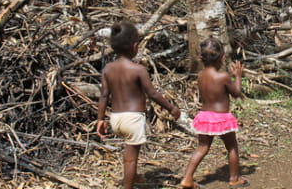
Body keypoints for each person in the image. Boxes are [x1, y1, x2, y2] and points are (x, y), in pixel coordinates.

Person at [96, 21, 181, 189]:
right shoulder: (138, 69)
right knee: (131, 157)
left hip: (116, 119)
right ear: (134, 46)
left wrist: (100, 119)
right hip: (133, 119)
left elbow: (104, 95)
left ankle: (133, 176)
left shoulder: (108, 69)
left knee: (129, 151)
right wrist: (171, 108)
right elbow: (153, 94)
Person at [180, 37, 248, 189]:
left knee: (202, 147)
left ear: (200, 58)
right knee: (231, 147)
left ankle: (187, 178)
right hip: (221, 118)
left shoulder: (201, 76)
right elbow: (236, 93)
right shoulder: (223, 76)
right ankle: (234, 178)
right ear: (223, 57)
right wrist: (237, 76)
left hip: (204, 116)